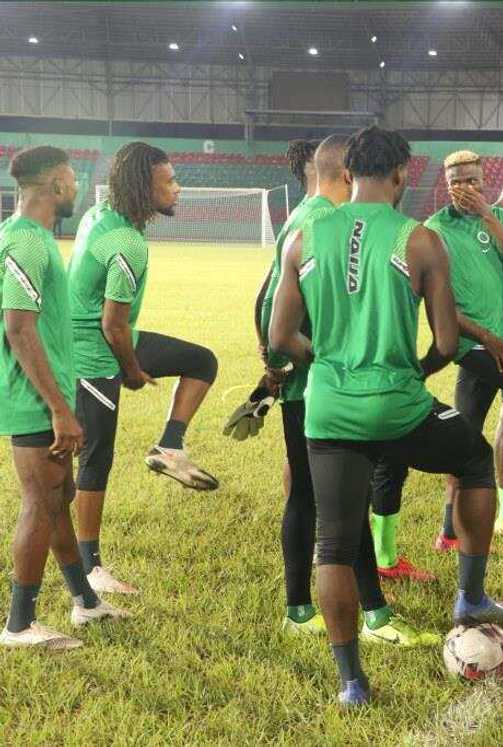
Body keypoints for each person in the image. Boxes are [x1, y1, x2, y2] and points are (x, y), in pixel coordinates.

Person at [270, 125, 503, 707]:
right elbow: (449, 343)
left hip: (328, 411)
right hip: (400, 408)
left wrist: (328, 361)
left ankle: (352, 682)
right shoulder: (420, 239)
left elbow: (279, 336)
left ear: (348, 175)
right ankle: (469, 596)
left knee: (334, 544)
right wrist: (413, 371)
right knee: (477, 459)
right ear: (402, 174)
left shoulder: (302, 236)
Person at [254, 135, 437, 641]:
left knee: (322, 499)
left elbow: (264, 299)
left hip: (313, 385)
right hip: (325, 386)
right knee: (327, 502)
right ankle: (361, 612)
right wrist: (308, 360)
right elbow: (276, 310)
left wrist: (273, 365)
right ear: (346, 176)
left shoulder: (304, 220)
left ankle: (324, 608)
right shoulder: (319, 223)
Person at [68, 142, 219, 596]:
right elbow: (112, 324)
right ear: (142, 187)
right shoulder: (126, 242)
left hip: (107, 340)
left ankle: (169, 447)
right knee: (95, 458)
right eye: (168, 181)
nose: (178, 187)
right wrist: (131, 373)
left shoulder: (102, 216)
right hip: (92, 355)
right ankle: (90, 567)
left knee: (200, 361)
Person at [1, 146, 129, 650]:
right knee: (40, 502)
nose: (76, 188)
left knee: (61, 498)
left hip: (44, 394)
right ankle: (19, 625)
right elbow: (18, 328)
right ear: (54, 184)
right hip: (35, 399)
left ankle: (85, 602)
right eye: (72, 180)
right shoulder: (27, 243)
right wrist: (58, 407)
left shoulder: (28, 238)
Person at [426, 150, 503, 539]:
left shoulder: (502, 217)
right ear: (446, 184)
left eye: (472, 180)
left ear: (484, 179)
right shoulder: (435, 229)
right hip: (473, 345)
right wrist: (487, 338)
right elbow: (439, 305)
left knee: (465, 435)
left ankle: (448, 531)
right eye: (456, 182)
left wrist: (488, 213)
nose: (465, 188)